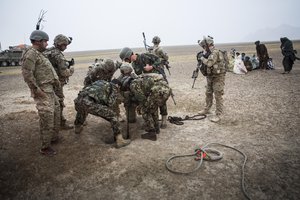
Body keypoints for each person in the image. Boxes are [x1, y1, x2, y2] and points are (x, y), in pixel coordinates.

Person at [21, 30, 61, 156]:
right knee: (47, 118)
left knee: (56, 110)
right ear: (38, 41)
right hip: (43, 91)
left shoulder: (39, 53)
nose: (47, 44)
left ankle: (53, 138)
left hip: (49, 90)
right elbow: (27, 73)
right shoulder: (31, 54)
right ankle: (45, 147)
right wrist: (36, 90)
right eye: (45, 41)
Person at [119, 47, 169, 128]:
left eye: (126, 59)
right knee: (151, 100)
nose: (127, 61)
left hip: (158, 80)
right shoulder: (134, 65)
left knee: (161, 98)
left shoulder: (144, 56)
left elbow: (159, 60)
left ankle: (164, 118)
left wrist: (151, 67)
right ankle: (152, 121)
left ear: (129, 55)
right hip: (148, 83)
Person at [73, 79, 131, 148]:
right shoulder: (113, 87)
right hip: (89, 103)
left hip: (78, 101)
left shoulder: (100, 82)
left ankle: (77, 127)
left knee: (82, 109)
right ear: (117, 85)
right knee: (113, 115)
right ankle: (120, 141)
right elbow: (110, 103)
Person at [119, 65, 171, 141]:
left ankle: (151, 133)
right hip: (164, 89)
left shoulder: (133, 85)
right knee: (153, 108)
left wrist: (140, 107)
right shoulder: (138, 80)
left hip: (158, 92)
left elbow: (142, 99)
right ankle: (156, 128)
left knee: (145, 110)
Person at [44, 34, 74, 129]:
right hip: (56, 83)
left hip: (46, 82)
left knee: (50, 103)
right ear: (59, 44)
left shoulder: (48, 51)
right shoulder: (58, 56)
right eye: (64, 45)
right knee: (59, 103)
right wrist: (71, 69)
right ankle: (60, 124)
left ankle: (53, 123)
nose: (65, 47)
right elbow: (64, 73)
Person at [197, 36, 226, 122]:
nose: (204, 48)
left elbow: (209, 63)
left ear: (209, 45)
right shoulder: (208, 53)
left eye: (204, 46)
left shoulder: (215, 53)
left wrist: (202, 58)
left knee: (218, 95)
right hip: (210, 76)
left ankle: (219, 115)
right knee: (208, 93)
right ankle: (207, 109)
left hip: (218, 77)